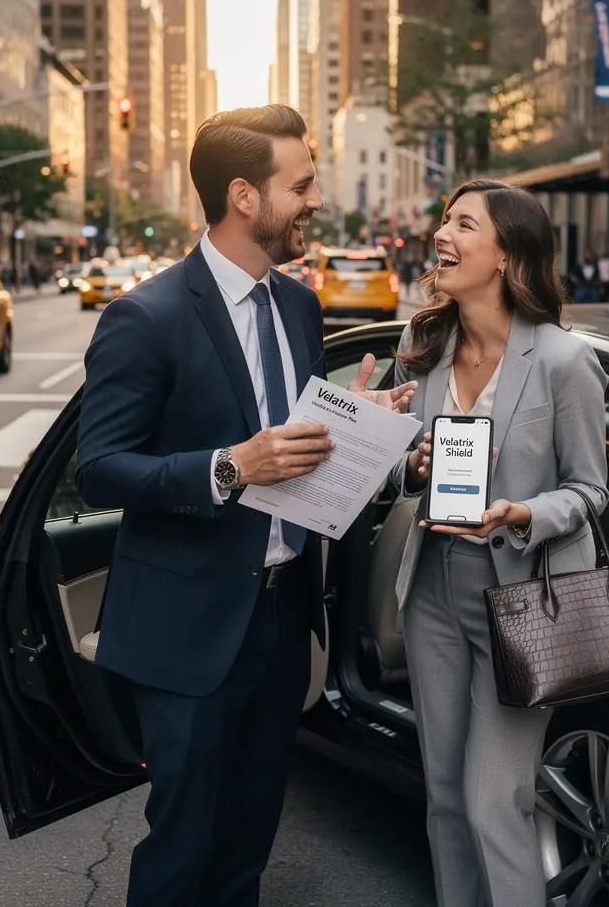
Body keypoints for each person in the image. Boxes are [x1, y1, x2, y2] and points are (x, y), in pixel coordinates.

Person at [75, 104, 416, 907]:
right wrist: (229, 467)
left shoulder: (299, 307)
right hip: (185, 630)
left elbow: (297, 450)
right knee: (182, 844)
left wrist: (360, 425)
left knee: (248, 841)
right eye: (300, 184)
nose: (316, 200)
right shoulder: (143, 318)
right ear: (244, 196)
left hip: (281, 621)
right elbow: (100, 471)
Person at [388, 178, 609, 907]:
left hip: (522, 601)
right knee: (445, 798)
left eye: (463, 225)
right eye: (444, 221)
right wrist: (409, 465)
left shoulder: (562, 362)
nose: (442, 236)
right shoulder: (422, 345)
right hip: (431, 591)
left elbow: (589, 490)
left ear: (507, 254)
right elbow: (400, 463)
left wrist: (521, 513)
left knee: (493, 801)